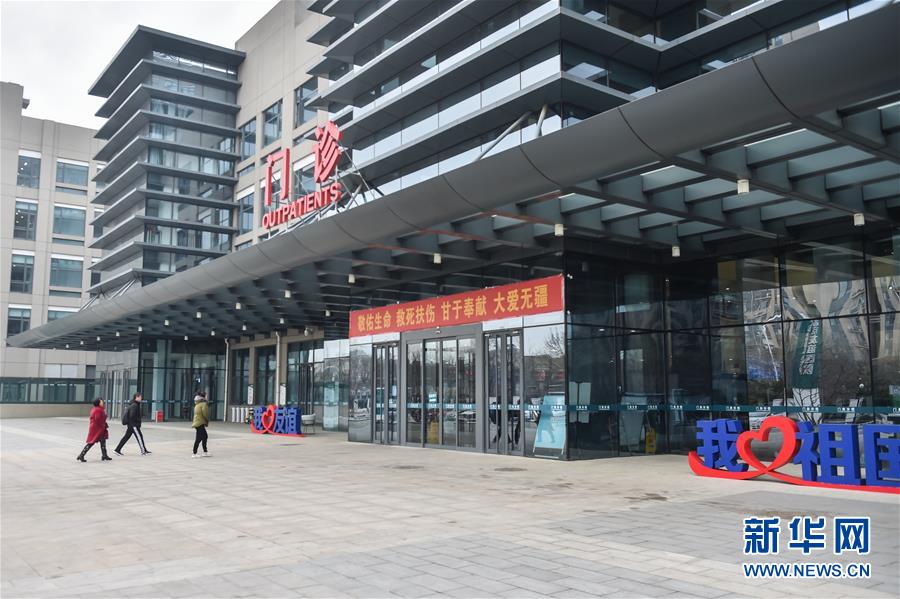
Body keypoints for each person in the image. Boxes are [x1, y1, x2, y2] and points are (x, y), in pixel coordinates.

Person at [192, 390, 210, 457]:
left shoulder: (197, 403)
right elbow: (205, 414)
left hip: (197, 422)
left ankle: (205, 452)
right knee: (199, 438)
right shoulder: (203, 404)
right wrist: (207, 420)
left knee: (205, 436)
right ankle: (194, 453)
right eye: (206, 395)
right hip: (200, 423)